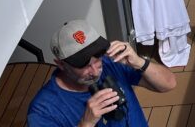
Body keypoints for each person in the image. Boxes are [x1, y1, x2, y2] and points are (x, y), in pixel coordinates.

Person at [28, 19, 177, 127]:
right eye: (83, 64)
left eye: (97, 57)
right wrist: (86, 123)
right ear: (61, 64)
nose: (94, 71)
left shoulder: (110, 62)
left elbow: (169, 84)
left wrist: (139, 62)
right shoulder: (43, 110)